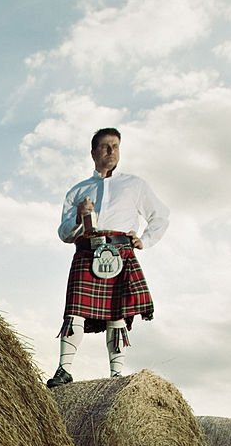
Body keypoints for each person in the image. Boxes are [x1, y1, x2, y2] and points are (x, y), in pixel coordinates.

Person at [46, 128, 170, 387]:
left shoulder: (135, 185)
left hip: (120, 251)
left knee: (117, 314)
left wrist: (144, 240)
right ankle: (64, 369)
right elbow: (63, 233)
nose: (111, 151)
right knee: (75, 312)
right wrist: (80, 216)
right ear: (93, 152)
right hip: (87, 250)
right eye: (105, 146)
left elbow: (160, 216)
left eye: (115, 146)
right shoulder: (77, 191)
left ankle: (116, 375)